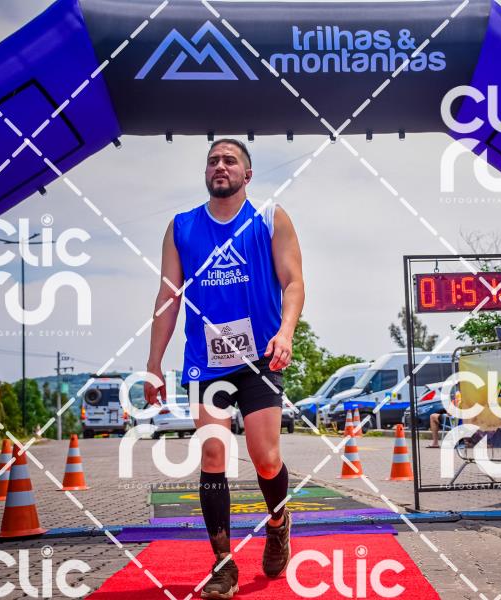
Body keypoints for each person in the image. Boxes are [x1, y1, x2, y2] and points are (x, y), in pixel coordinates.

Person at [145, 139, 304, 599]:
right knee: (213, 455)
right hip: (207, 361)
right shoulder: (181, 227)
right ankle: (222, 564)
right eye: (213, 160)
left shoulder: (270, 218)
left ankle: (278, 523)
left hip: (260, 357)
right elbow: (168, 297)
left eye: (230, 160)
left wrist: (286, 332)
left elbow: (294, 282)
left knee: (264, 457)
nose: (220, 166)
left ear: (247, 174)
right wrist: (154, 363)